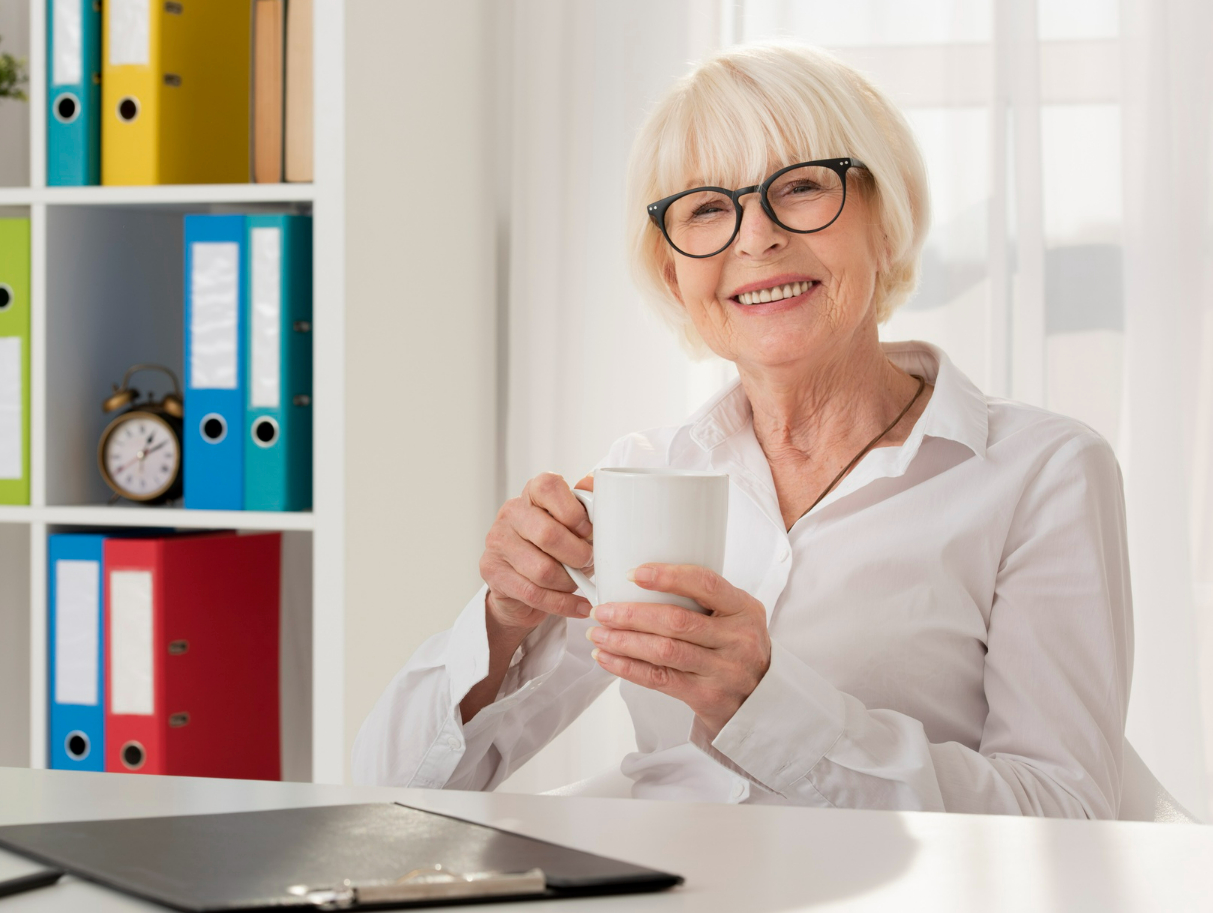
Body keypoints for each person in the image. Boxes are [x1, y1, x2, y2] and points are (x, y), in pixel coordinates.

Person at [352, 42, 1132, 817]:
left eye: (801, 187)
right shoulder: (643, 478)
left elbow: (1065, 813)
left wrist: (768, 703)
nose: (755, 238)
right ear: (674, 275)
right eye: (706, 208)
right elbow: (390, 788)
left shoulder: (1041, 473)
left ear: (885, 224)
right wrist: (502, 618)